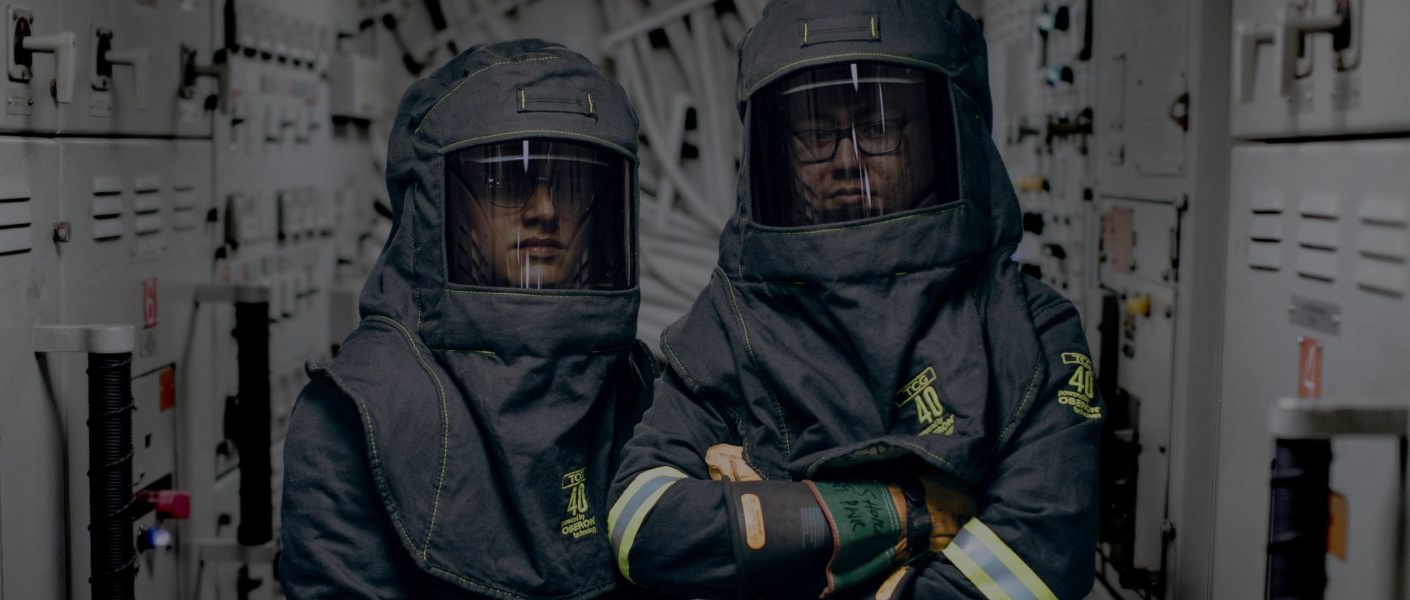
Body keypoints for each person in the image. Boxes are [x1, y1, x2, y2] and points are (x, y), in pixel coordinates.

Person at [607, 1, 1103, 599]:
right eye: (815, 134)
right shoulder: (731, 323)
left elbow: (1034, 569)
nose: (846, 162)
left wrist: (773, 520)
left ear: (946, 134)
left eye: (879, 128)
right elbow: (644, 526)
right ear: (777, 152)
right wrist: (908, 513)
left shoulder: (1030, 332)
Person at [279, 39, 657, 599]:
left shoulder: (638, 387)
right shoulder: (360, 418)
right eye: (508, 183)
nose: (546, 209)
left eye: (570, 184)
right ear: (441, 209)